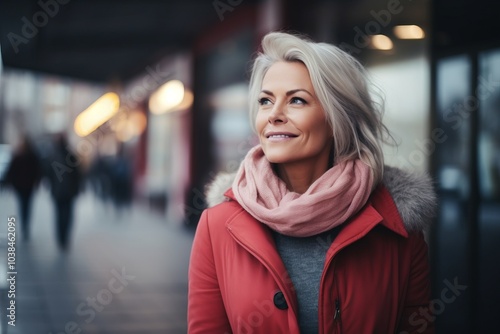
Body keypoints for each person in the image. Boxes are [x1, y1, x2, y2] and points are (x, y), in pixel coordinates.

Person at [188, 32, 436, 333]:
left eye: (297, 100)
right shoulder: (218, 225)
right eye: (266, 101)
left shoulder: (396, 224)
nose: (274, 115)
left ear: (336, 118)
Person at [46, 134, 82, 251]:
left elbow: (49, 175)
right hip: (68, 192)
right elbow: (78, 175)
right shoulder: (70, 155)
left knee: (59, 215)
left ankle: (61, 238)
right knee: (67, 215)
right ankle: (64, 238)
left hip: (59, 192)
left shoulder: (53, 156)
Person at [4, 135, 42, 241]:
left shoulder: (28, 156)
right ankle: (25, 225)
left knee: (25, 205)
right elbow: (11, 171)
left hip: (25, 186)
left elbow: (37, 170)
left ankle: (25, 225)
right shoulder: (21, 156)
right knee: (25, 205)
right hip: (23, 186)